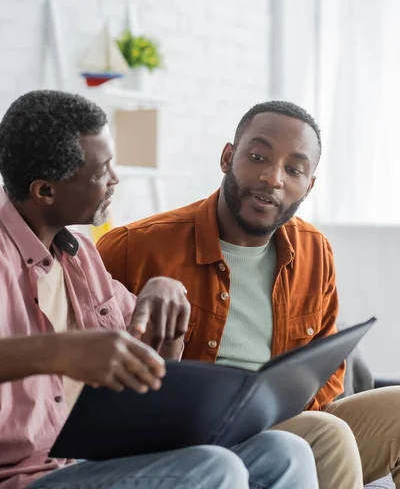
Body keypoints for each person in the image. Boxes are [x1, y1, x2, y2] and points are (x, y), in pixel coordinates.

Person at [0, 90, 319, 489]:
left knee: (285, 453)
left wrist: (168, 310)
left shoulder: (79, 256)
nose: (115, 179)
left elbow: (149, 369)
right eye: (102, 171)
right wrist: (61, 351)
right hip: (24, 477)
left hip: (91, 458)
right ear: (45, 191)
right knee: (215, 468)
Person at [98, 100, 400, 489]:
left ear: (308, 186)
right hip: (192, 439)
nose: (273, 178)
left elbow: (327, 367)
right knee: (327, 435)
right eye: (258, 156)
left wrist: (285, 414)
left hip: (289, 422)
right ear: (227, 157)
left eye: (293, 170)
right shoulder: (133, 247)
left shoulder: (314, 250)